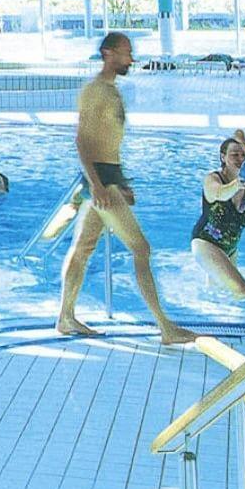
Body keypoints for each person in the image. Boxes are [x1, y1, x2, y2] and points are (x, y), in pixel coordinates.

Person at [59, 32, 191, 344]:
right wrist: (98, 185)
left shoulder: (111, 90)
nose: (131, 59)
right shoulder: (95, 91)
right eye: (125, 52)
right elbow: (82, 141)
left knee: (82, 249)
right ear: (108, 53)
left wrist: (122, 182)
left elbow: (108, 145)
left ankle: (65, 317)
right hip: (101, 181)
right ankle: (166, 328)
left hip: (109, 178)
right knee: (141, 249)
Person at [189, 133, 245, 298]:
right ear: (223, 157)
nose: (240, 159)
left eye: (243, 155)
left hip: (230, 249)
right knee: (243, 292)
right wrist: (236, 184)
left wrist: (244, 142)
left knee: (218, 295)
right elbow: (218, 193)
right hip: (206, 243)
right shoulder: (213, 179)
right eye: (234, 155)